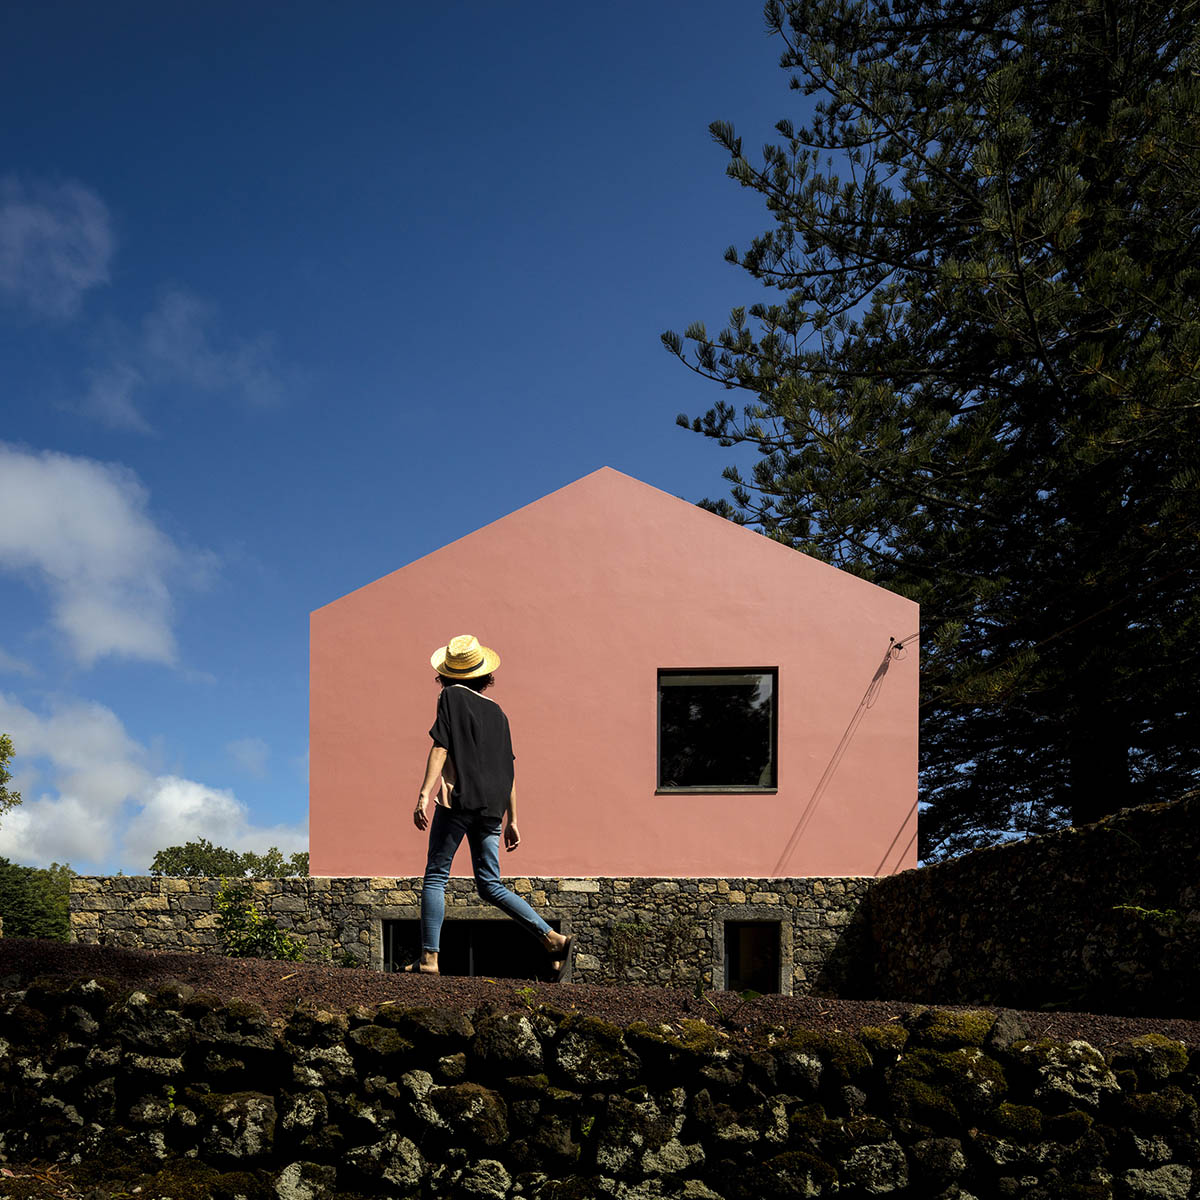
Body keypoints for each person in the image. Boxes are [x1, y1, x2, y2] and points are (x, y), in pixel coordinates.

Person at [412, 634, 573, 978]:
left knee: (436, 876)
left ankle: (429, 959)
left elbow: (440, 747)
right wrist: (513, 818)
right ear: (483, 674)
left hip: (460, 799)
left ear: (447, 673)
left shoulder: (450, 696)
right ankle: (552, 938)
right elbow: (508, 769)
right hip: (492, 807)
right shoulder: (499, 713)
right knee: (490, 884)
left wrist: (425, 791)